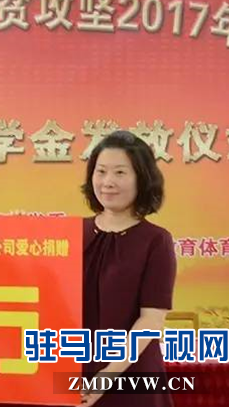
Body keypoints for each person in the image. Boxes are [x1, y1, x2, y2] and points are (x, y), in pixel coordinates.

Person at [79, 130, 177, 407]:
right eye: (101, 171)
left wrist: (106, 376)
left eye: (120, 172)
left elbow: (151, 321)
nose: (107, 182)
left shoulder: (156, 240)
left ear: (141, 179)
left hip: (132, 377)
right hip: (75, 369)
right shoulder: (72, 233)